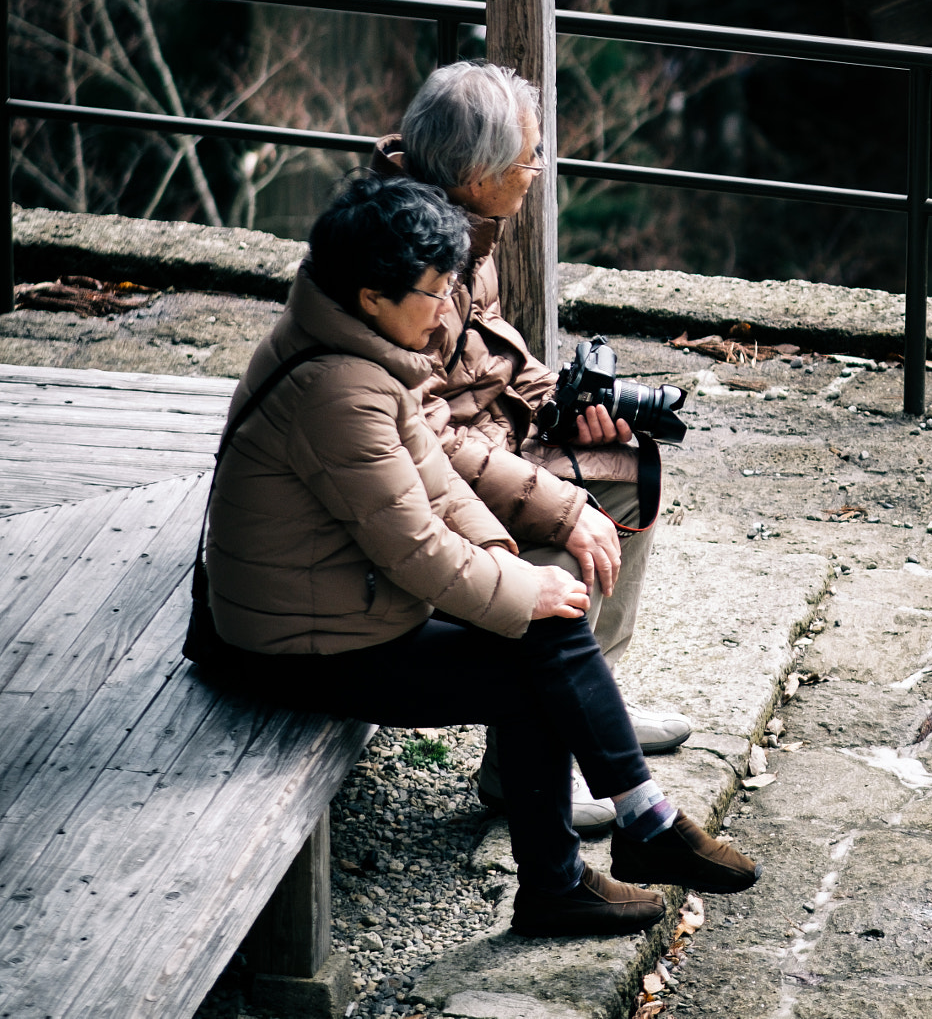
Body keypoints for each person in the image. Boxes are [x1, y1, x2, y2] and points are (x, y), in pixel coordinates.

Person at [202, 174, 758, 936]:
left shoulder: (359, 350)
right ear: (371, 295)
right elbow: (416, 549)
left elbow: (435, 483)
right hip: (297, 643)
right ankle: (599, 857)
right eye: (432, 295)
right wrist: (516, 593)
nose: (443, 317)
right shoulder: (339, 390)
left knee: (542, 623)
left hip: (333, 604)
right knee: (537, 653)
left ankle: (629, 832)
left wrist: (509, 564)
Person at [373, 62, 689, 829]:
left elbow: (494, 360)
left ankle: (593, 698)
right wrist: (554, 500)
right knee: (569, 523)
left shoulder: (467, 225)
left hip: (486, 443)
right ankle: (519, 771)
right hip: (422, 484)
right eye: (527, 159)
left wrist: (564, 405)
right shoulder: (407, 254)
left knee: (629, 470)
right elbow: (421, 437)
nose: (539, 170)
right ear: (478, 174)